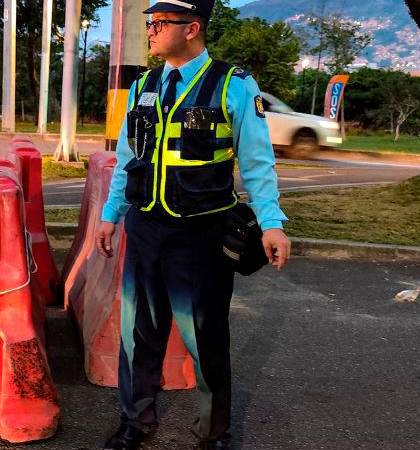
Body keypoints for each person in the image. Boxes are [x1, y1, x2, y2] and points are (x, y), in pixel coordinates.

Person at [93, 0, 291, 448]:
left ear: (192, 28)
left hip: (201, 236)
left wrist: (271, 223)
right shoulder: (144, 85)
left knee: (205, 340)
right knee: (137, 334)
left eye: (160, 23)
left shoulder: (233, 86)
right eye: (150, 22)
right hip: (145, 230)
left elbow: (257, 162)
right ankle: (136, 422)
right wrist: (111, 215)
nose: (151, 30)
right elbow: (128, 161)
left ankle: (214, 433)